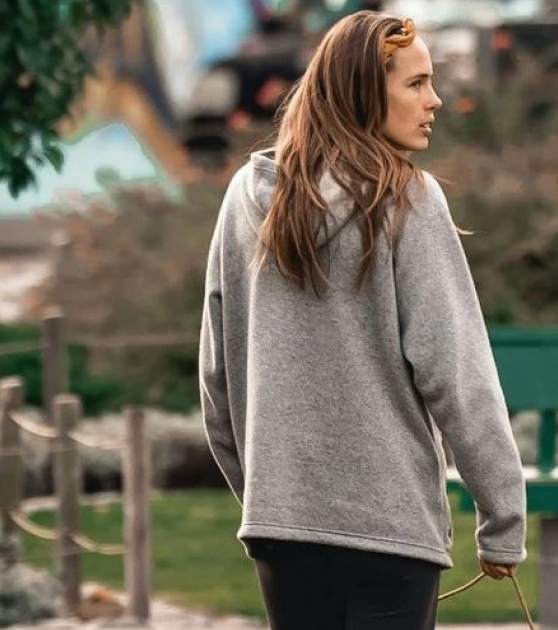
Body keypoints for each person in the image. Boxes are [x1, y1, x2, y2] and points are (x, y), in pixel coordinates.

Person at [198, 11, 527, 630]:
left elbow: (218, 377)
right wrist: (503, 521)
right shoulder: (407, 199)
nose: (435, 100)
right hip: (390, 530)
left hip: (283, 529)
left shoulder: (245, 197)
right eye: (416, 83)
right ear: (364, 92)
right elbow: (456, 373)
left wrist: (270, 495)